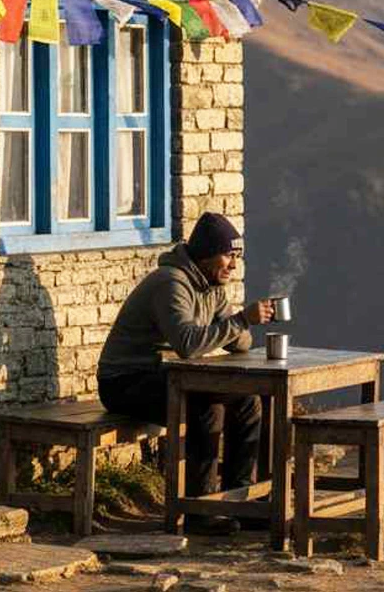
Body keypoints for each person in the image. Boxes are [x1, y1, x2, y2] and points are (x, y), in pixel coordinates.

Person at [98, 212, 274, 535]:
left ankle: (242, 498)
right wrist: (240, 321)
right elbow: (188, 344)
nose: (234, 265)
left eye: (237, 257)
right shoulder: (172, 283)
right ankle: (201, 508)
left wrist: (245, 321)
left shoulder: (212, 286)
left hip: (164, 376)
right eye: (229, 255)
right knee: (204, 406)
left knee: (249, 401)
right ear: (207, 253)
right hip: (125, 380)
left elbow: (241, 343)